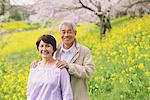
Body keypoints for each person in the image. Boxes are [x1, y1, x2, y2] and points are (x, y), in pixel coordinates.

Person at [31, 20, 95, 100]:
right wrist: (37, 64)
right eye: (63, 32)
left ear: (75, 33)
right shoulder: (54, 49)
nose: (66, 35)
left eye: (69, 32)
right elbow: (47, 61)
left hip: (77, 95)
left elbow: (90, 71)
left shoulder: (84, 51)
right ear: (60, 34)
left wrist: (69, 67)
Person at [27, 34, 73, 100]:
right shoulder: (34, 68)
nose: (44, 49)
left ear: (53, 49)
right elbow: (29, 92)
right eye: (41, 46)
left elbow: (67, 94)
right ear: (38, 48)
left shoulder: (60, 68)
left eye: (47, 46)